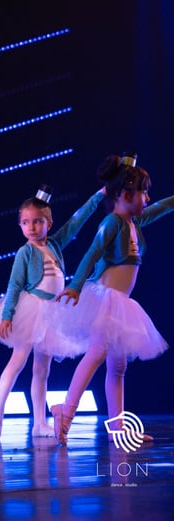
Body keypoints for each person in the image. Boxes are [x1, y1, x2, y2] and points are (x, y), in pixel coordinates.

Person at [52, 153, 171, 445]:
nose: (147, 198)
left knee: (118, 367)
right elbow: (92, 253)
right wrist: (75, 286)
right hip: (103, 299)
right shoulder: (112, 222)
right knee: (97, 353)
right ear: (125, 195)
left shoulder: (134, 222)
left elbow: (159, 208)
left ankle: (117, 426)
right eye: (143, 192)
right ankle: (65, 411)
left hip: (121, 305)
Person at [0, 184, 105, 440]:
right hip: (31, 309)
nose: (32, 227)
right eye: (26, 222)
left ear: (49, 223)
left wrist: (99, 195)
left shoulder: (55, 244)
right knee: (18, 361)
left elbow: (77, 221)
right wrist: (7, 315)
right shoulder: (25, 252)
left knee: (42, 369)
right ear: (20, 225)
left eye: (38, 221)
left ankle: (39, 423)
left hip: (53, 313)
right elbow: (14, 285)